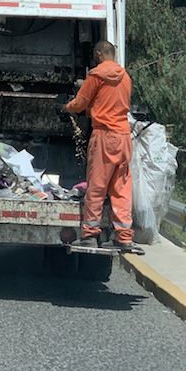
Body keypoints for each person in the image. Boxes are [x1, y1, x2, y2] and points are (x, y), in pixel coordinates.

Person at [58, 40, 141, 253]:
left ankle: (90, 235)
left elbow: (81, 102)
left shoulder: (96, 76)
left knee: (96, 185)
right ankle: (123, 237)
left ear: (98, 54)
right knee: (121, 188)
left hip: (104, 136)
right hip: (123, 136)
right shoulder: (125, 77)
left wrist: (66, 108)